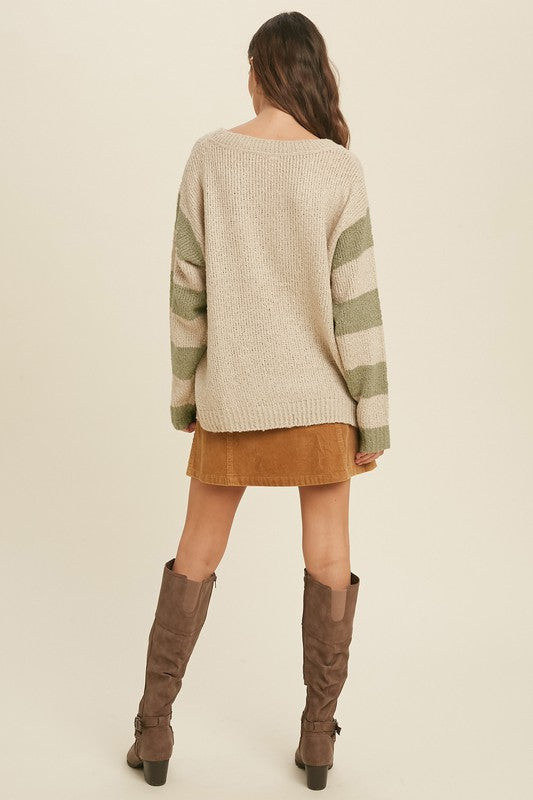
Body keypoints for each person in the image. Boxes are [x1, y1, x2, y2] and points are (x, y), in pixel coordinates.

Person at [126, 10, 391, 791]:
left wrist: (188, 398)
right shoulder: (337, 169)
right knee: (330, 560)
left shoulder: (210, 157)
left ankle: (154, 727)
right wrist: (372, 419)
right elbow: (358, 307)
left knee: (196, 554)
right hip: (321, 404)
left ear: (259, 70)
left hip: (232, 398)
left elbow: (186, 294)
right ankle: (317, 739)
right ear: (311, 72)